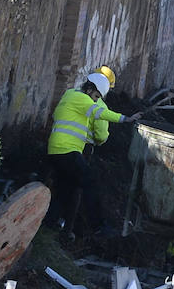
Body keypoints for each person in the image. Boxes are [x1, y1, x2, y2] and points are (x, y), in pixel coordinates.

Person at [46, 71, 137, 239]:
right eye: (96, 96)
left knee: (65, 189)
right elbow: (100, 113)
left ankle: (50, 222)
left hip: (57, 149)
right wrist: (125, 119)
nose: (96, 100)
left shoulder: (69, 94)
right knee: (90, 182)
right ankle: (99, 226)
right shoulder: (82, 99)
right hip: (67, 151)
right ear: (89, 89)